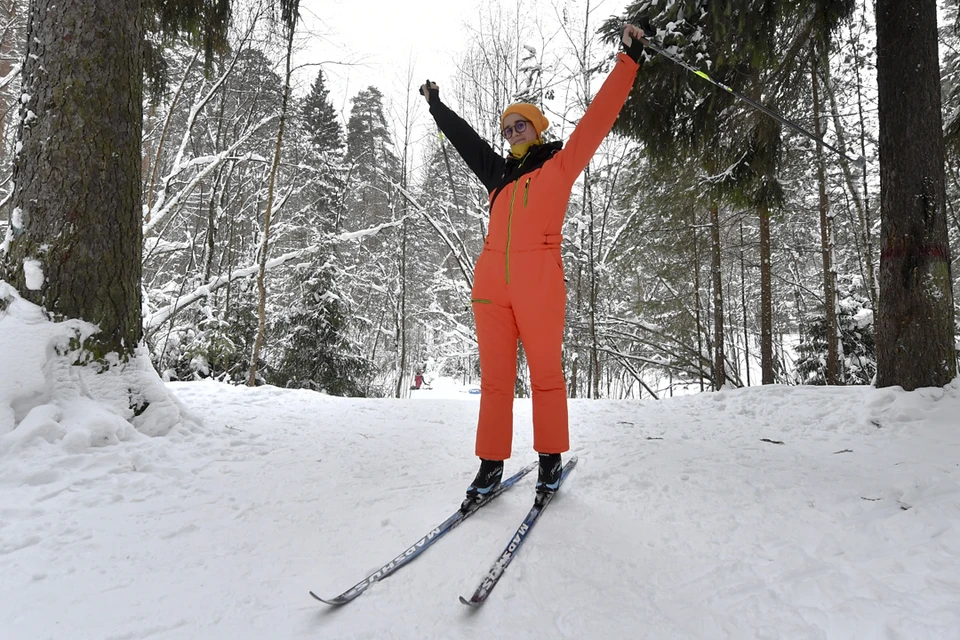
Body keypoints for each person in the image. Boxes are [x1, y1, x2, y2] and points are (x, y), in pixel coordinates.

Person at [420, 24, 646, 505]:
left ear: (536, 127)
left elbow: (598, 120)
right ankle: (490, 465)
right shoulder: (498, 174)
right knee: (496, 380)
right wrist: (437, 106)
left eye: (518, 125)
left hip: (539, 283)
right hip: (491, 288)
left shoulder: (559, 165)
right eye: (505, 128)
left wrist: (628, 61)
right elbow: (465, 141)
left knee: (545, 374)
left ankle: (549, 461)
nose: (510, 133)